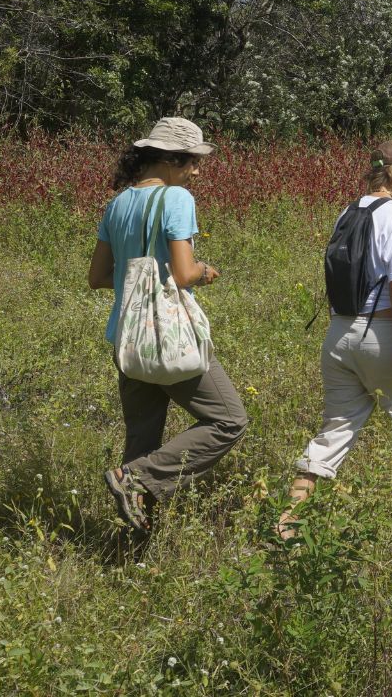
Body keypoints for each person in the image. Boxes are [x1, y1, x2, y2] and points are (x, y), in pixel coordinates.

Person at [89, 117, 247, 533]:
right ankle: (134, 480)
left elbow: (99, 277)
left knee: (142, 438)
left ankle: (134, 541)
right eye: (193, 161)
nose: (196, 171)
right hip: (170, 338)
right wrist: (205, 270)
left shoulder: (117, 203)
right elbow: (181, 273)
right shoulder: (176, 198)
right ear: (172, 159)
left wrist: (138, 278)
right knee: (229, 419)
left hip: (127, 338)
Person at [279, 140, 392, 538]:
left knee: (335, 430)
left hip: (339, 335)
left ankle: (287, 522)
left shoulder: (347, 212)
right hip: (379, 334)